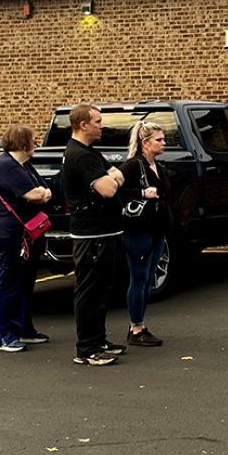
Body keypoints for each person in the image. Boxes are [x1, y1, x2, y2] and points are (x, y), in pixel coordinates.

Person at [62, 104, 127, 366]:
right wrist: (115, 176)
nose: (102, 126)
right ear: (83, 125)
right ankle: (87, 348)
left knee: (102, 289)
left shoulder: (89, 153)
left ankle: (98, 340)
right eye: (98, 122)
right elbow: (108, 188)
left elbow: (111, 177)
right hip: (91, 235)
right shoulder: (80, 155)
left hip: (104, 231)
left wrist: (113, 176)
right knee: (89, 290)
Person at [0, 124, 52, 353]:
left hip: (26, 233)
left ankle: (24, 328)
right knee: (10, 283)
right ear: (24, 144)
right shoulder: (6, 166)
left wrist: (41, 194)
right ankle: (4, 335)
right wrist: (40, 194)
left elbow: (44, 189)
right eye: (34, 140)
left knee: (25, 283)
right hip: (10, 233)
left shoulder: (23, 166)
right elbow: (34, 194)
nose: (37, 144)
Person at [120, 119, 173, 348]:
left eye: (163, 139)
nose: (164, 143)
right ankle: (136, 327)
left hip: (157, 230)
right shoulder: (133, 166)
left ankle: (140, 324)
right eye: (159, 140)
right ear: (145, 143)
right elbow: (117, 191)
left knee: (148, 278)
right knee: (139, 278)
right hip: (138, 230)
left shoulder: (158, 168)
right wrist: (142, 192)